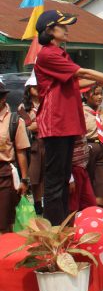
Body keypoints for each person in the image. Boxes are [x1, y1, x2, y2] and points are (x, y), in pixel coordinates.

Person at [34, 10, 103, 225]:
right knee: (55, 181)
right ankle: (54, 229)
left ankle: (65, 224)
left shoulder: (60, 53)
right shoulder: (47, 54)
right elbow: (83, 73)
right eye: (63, 26)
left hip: (67, 123)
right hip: (56, 123)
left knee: (63, 178)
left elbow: (76, 83)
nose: (67, 29)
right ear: (49, 30)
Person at [0, 81, 29, 233]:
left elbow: (20, 151)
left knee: (4, 222)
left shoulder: (14, 121)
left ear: (2, 99)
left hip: (4, 175)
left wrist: (24, 180)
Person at [82, 85, 103, 207]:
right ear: (86, 95)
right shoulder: (81, 111)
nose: (99, 97)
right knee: (87, 184)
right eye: (96, 94)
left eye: (101, 94)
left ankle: (100, 212)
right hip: (87, 148)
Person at [18, 76, 43, 214]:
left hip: (47, 141)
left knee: (46, 174)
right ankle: (37, 203)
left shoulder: (45, 103)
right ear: (29, 89)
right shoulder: (23, 107)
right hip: (32, 143)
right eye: (35, 87)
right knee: (35, 174)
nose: (38, 89)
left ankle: (43, 202)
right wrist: (42, 124)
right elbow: (27, 127)